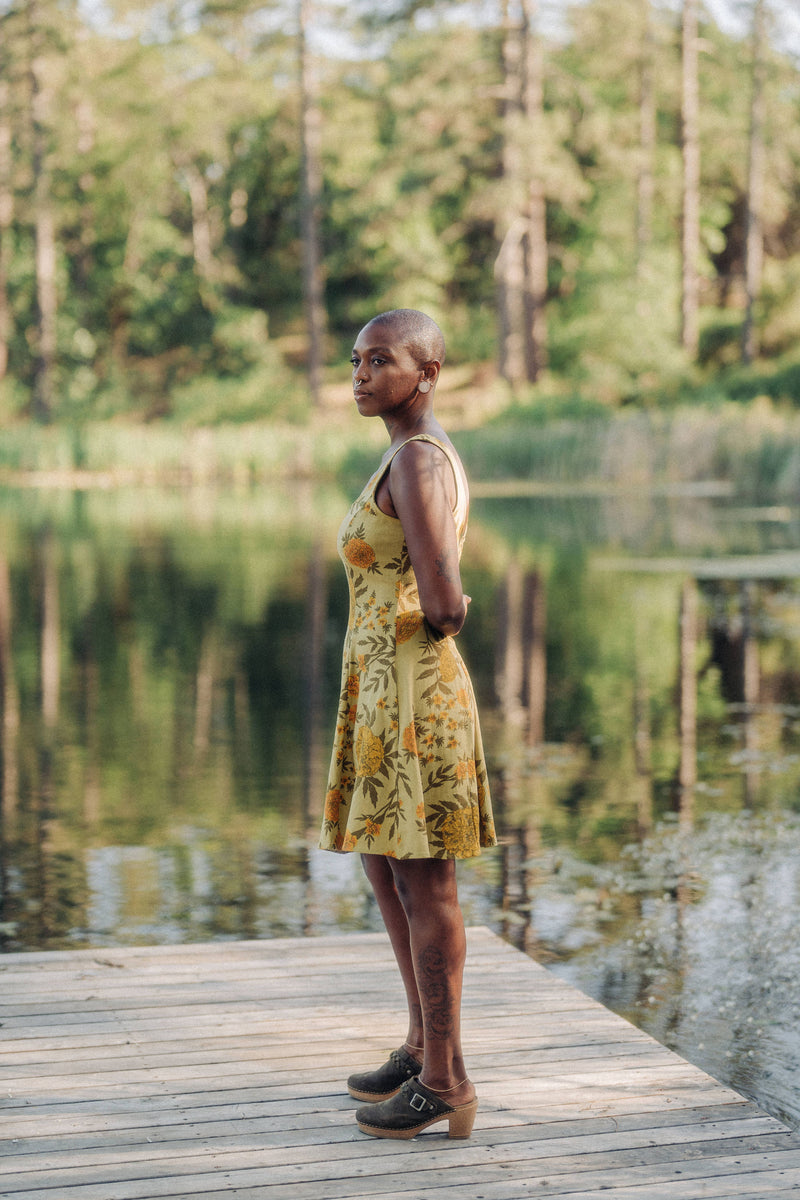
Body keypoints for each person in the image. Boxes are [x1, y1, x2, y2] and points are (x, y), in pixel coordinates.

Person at [319, 308, 496, 1141]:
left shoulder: (420, 463)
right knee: (388, 872)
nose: (358, 372)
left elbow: (443, 604)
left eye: (378, 359)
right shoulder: (401, 453)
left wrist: (444, 612)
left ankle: (447, 1080)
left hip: (416, 702)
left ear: (425, 373)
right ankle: (424, 1044)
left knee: (425, 882)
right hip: (384, 698)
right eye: (355, 359)